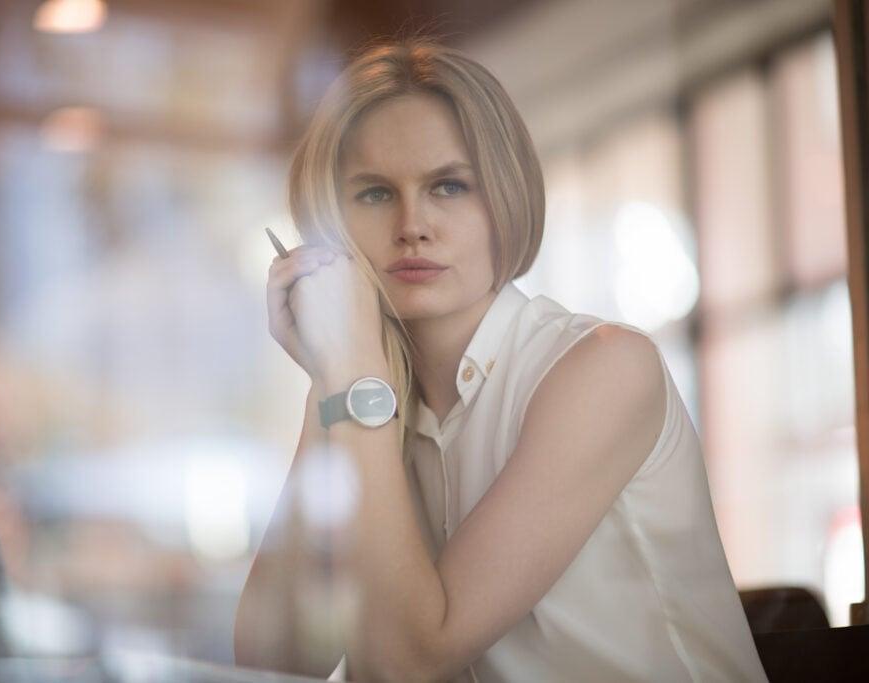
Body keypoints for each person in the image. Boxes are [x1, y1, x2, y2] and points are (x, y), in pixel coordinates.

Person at [234, 35, 769, 682]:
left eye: (449, 186)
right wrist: (333, 380)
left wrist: (353, 382)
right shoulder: (364, 393)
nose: (413, 224)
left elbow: (411, 660)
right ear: (330, 224)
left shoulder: (605, 369)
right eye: (374, 193)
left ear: (505, 199)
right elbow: (271, 657)